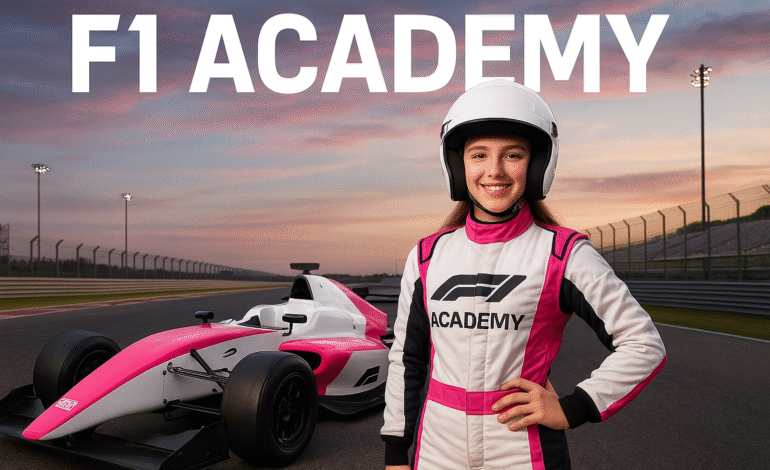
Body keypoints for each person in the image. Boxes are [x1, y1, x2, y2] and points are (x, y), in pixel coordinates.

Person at [380, 79, 666, 470]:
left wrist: (571, 408)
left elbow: (644, 344)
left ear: (536, 164)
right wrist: (396, 450)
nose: (494, 170)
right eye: (478, 155)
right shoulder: (428, 256)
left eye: (512, 155)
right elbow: (407, 359)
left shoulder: (564, 254)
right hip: (436, 449)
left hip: (523, 451)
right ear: (457, 164)